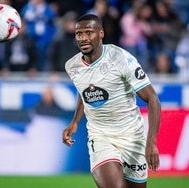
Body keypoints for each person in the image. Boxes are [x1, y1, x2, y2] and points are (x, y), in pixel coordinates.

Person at [62, 14, 161, 188]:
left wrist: (151, 142)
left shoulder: (121, 59)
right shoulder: (72, 66)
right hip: (100, 136)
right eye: (79, 34)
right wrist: (75, 121)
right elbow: (83, 91)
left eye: (89, 32)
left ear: (101, 33)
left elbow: (152, 98)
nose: (83, 38)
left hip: (132, 136)